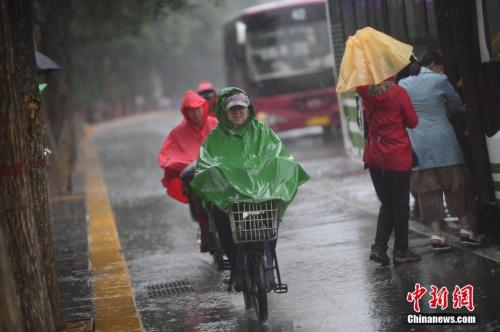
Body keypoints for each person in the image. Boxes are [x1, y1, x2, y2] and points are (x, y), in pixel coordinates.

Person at [190, 87, 309, 271]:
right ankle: (236, 268)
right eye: (232, 109)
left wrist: (282, 165)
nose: (238, 112)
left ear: (248, 109)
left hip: (262, 194)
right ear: (224, 111)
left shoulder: (262, 130)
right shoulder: (215, 137)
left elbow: (277, 153)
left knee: (271, 218)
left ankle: (267, 259)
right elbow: (206, 163)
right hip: (230, 197)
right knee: (220, 219)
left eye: (241, 108)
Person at [399, 51, 481, 251]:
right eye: (440, 66)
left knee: (427, 191)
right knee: (457, 185)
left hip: (418, 141)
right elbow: (456, 103)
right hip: (444, 141)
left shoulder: (403, 84)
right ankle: (465, 230)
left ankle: (437, 235)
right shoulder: (439, 79)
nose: (441, 70)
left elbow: (403, 112)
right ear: (433, 64)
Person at [357, 77, 421, 266]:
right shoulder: (398, 92)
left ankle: (379, 248)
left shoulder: (367, 95)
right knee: (400, 205)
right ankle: (401, 250)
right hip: (397, 156)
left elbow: (366, 122)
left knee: (387, 204)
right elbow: (412, 121)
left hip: (375, 156)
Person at [157, 90, 218, 252]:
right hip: (196, 178)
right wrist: (184, 165)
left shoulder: (215, 124)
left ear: (204, 108)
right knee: (198, 203)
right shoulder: (177, 133)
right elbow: (167, 156)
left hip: (218, 175)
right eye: (191, 110)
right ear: (186, 112)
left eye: (197, 109)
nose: (195, 113)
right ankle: (205, 235)